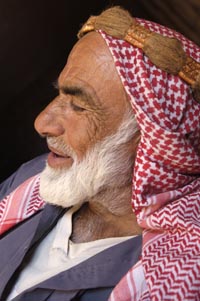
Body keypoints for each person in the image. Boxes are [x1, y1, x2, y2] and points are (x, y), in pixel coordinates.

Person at [0, 5, 200, 301]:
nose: (42, 122)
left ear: (150, 140)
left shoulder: (171, 280)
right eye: (59, 94)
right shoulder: (33, 180)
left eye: (79, 107)